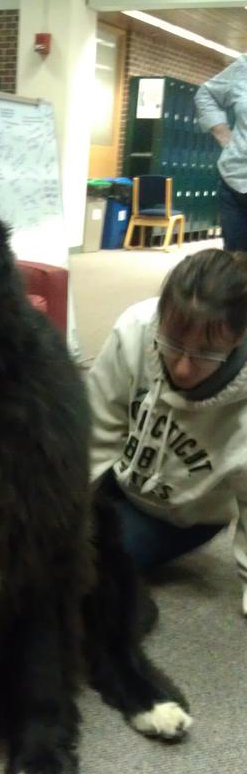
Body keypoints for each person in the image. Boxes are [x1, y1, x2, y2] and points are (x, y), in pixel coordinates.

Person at [87, 247, 247, 615]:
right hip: (120, 473)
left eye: (205, 353)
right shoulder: (136, 329)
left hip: (181, 514)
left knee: (94, 565)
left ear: (237, 339)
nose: (184, 368)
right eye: (172, 344)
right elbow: (98, 425)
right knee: (34, 537)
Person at [195, 57, 247, 251]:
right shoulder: (244, 67)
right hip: (235, 181)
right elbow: (206, 94)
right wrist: (223, 134)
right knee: (235, 265)